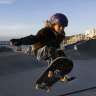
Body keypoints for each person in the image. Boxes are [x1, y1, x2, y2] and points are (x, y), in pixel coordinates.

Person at [10, 13, 69, 81]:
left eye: (63, 27)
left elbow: (56, 45)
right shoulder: (45, 32)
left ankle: (61, 73)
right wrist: (19, 41)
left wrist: (60, 57)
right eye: (59, 26)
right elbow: (33, 39)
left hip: (50, 52)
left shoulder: (61, 36)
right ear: (53, 25)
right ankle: (51, 70)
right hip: (39, 52)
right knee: (51, 49)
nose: (61, 29)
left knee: (61, 54)